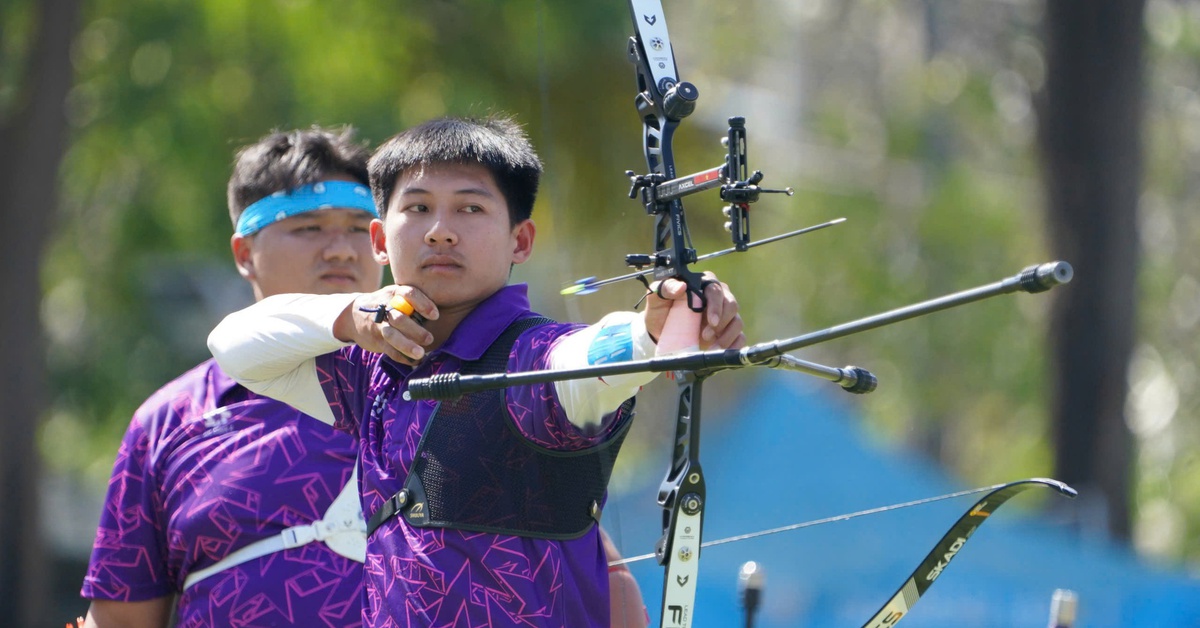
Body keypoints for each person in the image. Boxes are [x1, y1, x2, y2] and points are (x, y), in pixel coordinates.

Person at [208, 115, 745, 627]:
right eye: (417, 208)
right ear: (379, 240)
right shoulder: (368, 369)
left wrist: (653, 331)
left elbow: (587, 359)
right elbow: (233, 344)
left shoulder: (533, 357)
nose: (440, 232)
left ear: (521, 241)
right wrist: (351, 316)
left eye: (470, 210)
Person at [80, 127, 383, 627]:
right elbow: (119, 618)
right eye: (308, 227)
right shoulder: (168, 421)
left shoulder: (433, 386)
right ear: (244, 254)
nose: (341, 250)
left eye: (359, 227)